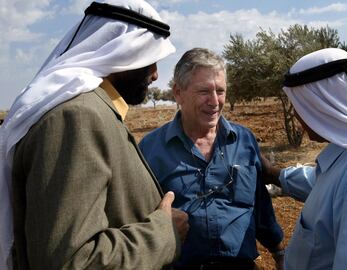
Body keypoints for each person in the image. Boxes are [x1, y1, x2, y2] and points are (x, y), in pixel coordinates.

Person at [0, 1, 189, 269]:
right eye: (147, 59)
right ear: (119, 53)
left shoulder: (97, 111)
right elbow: (72, 260)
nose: (155, 74)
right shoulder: (76, 118)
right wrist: (164, 233)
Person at [139, 48, 285, 270]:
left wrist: (278, 251)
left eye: (220, 90)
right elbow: (138, 218)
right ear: (178, 93)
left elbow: (260, 204)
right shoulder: (151, 149)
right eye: (204, 91)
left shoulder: (243, 140)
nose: (215, 101)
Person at [262, 47, 347, 270]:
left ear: (319, 105)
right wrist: (275, 174)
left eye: (298, 105)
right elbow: (323, 185)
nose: (297, 115)